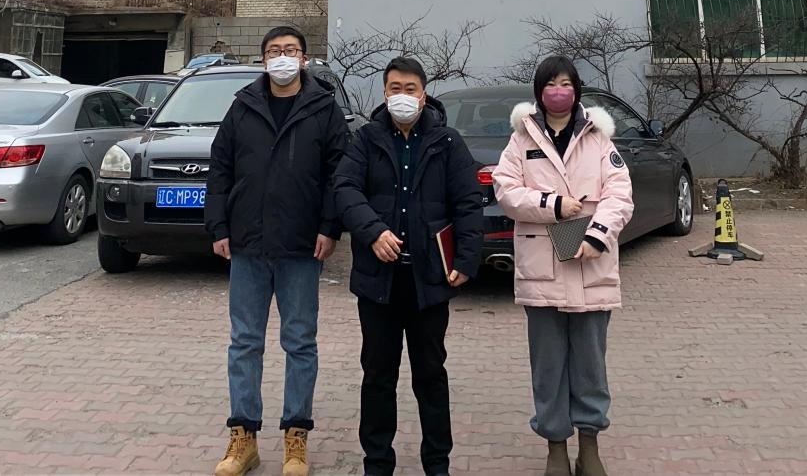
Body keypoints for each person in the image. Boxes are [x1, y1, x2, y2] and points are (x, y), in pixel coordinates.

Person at [205, 25, 351, 476]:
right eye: (274, 50)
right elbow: (220, 169)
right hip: (248, 244)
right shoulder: (243, 106)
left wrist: (330, 226)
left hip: (301, 247)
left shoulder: (323, 108)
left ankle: (296, 438)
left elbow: (339, 174)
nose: (282, 57)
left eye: (290, 50)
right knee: (244, 343)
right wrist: (218, 225)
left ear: (304, 59)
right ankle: (243, 438)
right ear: (263, 59)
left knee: (300, 343)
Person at [333, 56, 483, 476]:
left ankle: (437, 463)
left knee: (430, 375)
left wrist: (466, 259)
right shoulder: (366, 139)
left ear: (424, 94)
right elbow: (344, 189)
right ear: (385, 93)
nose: (403, 96)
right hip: (378, 282)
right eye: (395, 88)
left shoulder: (447, 142)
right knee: (378, 376)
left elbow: (468, 202)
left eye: (410, 89)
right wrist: (373, 231)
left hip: (428, 281)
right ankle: (377, 462)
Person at [492, 56, 634, 476]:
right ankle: (555, 445)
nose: (559, 91)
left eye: (566, 83)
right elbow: (506, 190)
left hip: (592, 268)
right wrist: (552, 205)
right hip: (543, 271)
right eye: (551, 84)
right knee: (549, 366)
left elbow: (620, 194)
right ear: (539, 91)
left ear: (577, 89)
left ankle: (589, 446)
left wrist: (598, 234)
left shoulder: (599, 139)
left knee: (590, 364)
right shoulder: (521, 139)